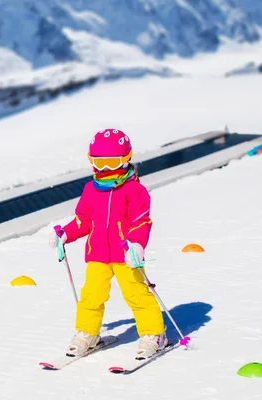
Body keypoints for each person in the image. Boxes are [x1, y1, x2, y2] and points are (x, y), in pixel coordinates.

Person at [50, 128, 167, 360]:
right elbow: (83, 220)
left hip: (125, 255)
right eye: (98, 162)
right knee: (91, 296)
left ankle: (155, 334)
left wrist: (137, 245)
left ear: (125, 159)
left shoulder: (135, 190)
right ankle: (88, 333)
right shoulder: (90, 190)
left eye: (111, 163)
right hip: (98, 254)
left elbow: (141, 221)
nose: (104, 169)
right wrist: (66, 234)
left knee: (136, 294)